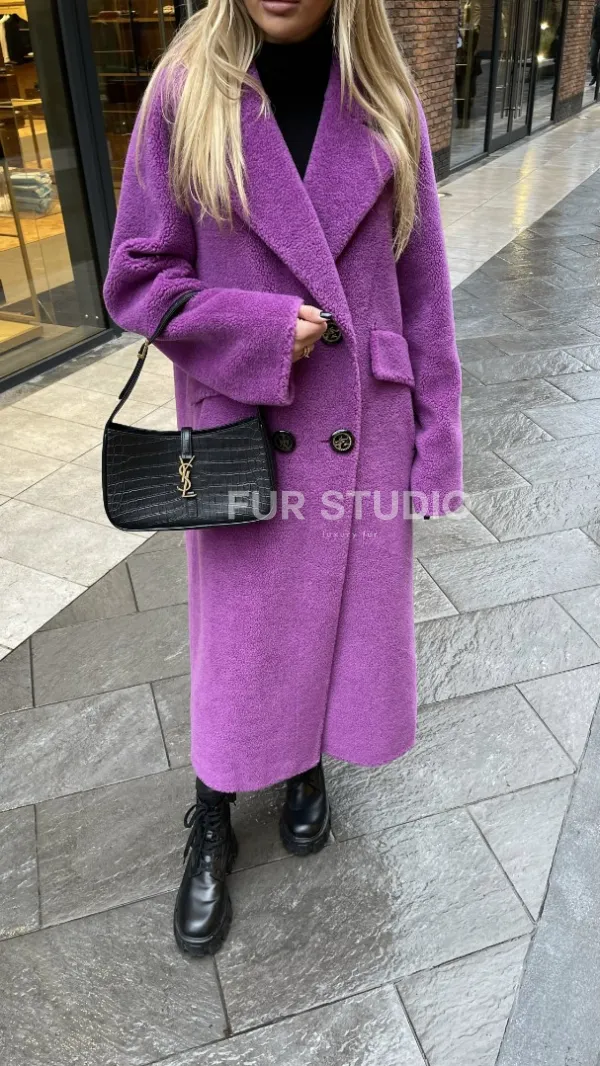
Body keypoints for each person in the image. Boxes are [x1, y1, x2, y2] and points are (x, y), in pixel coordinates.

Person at [103, 0, 463, 956]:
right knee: (239, 643)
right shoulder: (186, 94)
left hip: (364, 428)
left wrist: (437, 445)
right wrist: (256, 328)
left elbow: (424, 293)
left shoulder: (387, 101)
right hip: (245, 431)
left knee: (342, 626)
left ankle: (306, 765)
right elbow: (136, 276)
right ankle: (213, 810)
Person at [591, 0, 600, 85]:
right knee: (592, 57)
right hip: (596, 36)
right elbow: (594, 23)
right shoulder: (598, 8)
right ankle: (594, 75)